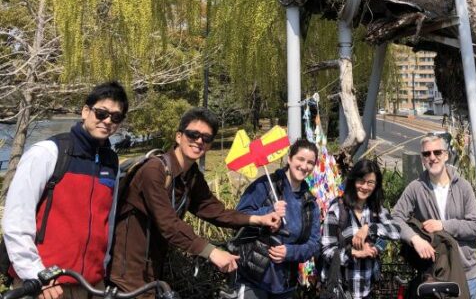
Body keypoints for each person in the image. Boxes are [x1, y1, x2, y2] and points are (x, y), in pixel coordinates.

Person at [109, 109, 282, 295]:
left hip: (153, 268)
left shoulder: (191, 177)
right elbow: (168, 224)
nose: (199, 141)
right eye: (193, 134)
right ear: (179, 136)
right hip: (127, 271)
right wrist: (211, 252)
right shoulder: (153, 171)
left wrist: (258, 219)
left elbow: (215, 211)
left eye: (206, 138)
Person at [2, 81, 129, 299]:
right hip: (45, 286)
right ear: (85, 111)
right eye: (101, 113)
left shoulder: (111, 162)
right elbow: (16, 221)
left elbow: (106, 223)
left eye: (116, 117)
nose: (107, 121)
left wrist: (103, 269)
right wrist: (36, 275)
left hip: (91, 286)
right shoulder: (48, 152)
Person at [392, 133, 476, 299]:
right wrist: (415, 239)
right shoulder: (416, 188)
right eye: (427, 154)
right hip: (433, 273)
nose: (432, 157)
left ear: (446, 155)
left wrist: (443, 225)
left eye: (437, 152)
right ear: (422, 158)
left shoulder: (463, 187)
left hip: (465, 272)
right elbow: (395, 218)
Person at [236, 138, 321, 299]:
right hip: (252, 278)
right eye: (300, 159)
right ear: (289, 159)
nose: (304, 166)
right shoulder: (265, 186)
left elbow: (314, 244)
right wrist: (268, 211)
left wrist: (290, 252)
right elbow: (238, 217)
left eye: (310, 162)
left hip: (285, 283)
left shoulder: (310, 203)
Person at [320, 159, 400, 299]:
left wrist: (369, 229)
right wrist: (356, 253)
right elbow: (326, 251)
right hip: (341, 289)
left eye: (370, 183)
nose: (365, 187)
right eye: (361, 181)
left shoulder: (376, 209)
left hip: (366, 290)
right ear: (353, 181)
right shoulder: (338, 210)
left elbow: (395, 231)